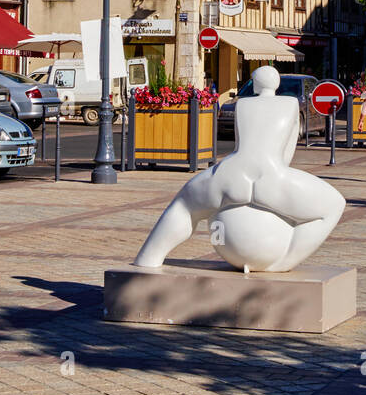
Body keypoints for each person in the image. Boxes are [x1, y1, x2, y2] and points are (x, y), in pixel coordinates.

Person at [134, 65, 346, 273]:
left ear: (256, 84)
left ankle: (149, 257)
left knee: (184, 206)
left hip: (232, 172)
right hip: (271, 172)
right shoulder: (290, 103)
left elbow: (240, 143)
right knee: (334, 205)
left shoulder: (243, 103)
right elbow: (287, 150)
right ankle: (285, 261)